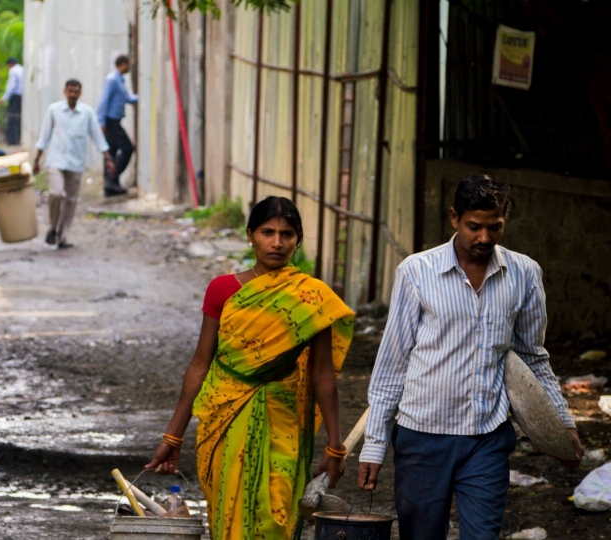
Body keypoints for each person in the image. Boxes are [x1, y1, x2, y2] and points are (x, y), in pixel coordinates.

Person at [357, 174, 584, 539]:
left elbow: (533, 358)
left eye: (494, 227)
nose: (484, 238)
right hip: (421, 437)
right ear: (453, 217)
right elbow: (392, 363)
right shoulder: (417, 272)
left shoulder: (524, 274)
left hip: (487, 438)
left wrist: (562, 424)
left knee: (483, 534)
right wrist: (375, 444)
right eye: (474, 226)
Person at [147, 196, 355, 539]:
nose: (277, 242)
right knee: (229, 516)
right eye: (267, 232)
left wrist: (335, 445)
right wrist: (173, 435)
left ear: (297, 240)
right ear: (250, 235)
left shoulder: (311, 297)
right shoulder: (222, 289)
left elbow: (322, 376)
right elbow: (200, 364)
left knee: (276, 515)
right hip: (224, 418)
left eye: (286, 234)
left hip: (282, 419)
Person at [33, 79, 114, 250]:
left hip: (76, 163)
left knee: (70, 200)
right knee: (56, 193)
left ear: (80, 93)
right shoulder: (54, 110)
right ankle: (53, 228)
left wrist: (108, 158)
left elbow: (97, 137)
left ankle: (62, 237)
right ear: (65, 92)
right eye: (70, 91)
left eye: (76, 92)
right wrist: (36, 160)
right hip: (56, 160)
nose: (73, 95)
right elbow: (44, 136)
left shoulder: (87, 113)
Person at [96, 55, 137, 197]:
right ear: (124, 64)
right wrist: (101, 122)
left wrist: (141, 97)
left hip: (115, 121)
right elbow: (103, 101)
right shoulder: (112, 80)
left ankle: (111, 186)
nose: (130, 68)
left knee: (112, 152)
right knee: (127, 148)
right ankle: (111, 180)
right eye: (128, 64)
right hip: (110, 122)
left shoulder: (120, 80)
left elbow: (128, 98)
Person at [0, 58, 23, 145]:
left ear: (10, 64)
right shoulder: (22, 69)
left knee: (12, 118)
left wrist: (4, 98)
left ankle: (12, 140)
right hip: (21, 97)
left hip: (15, 97)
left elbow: (11, 86)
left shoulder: (13, 71)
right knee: (18, 118)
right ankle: (17, 139)